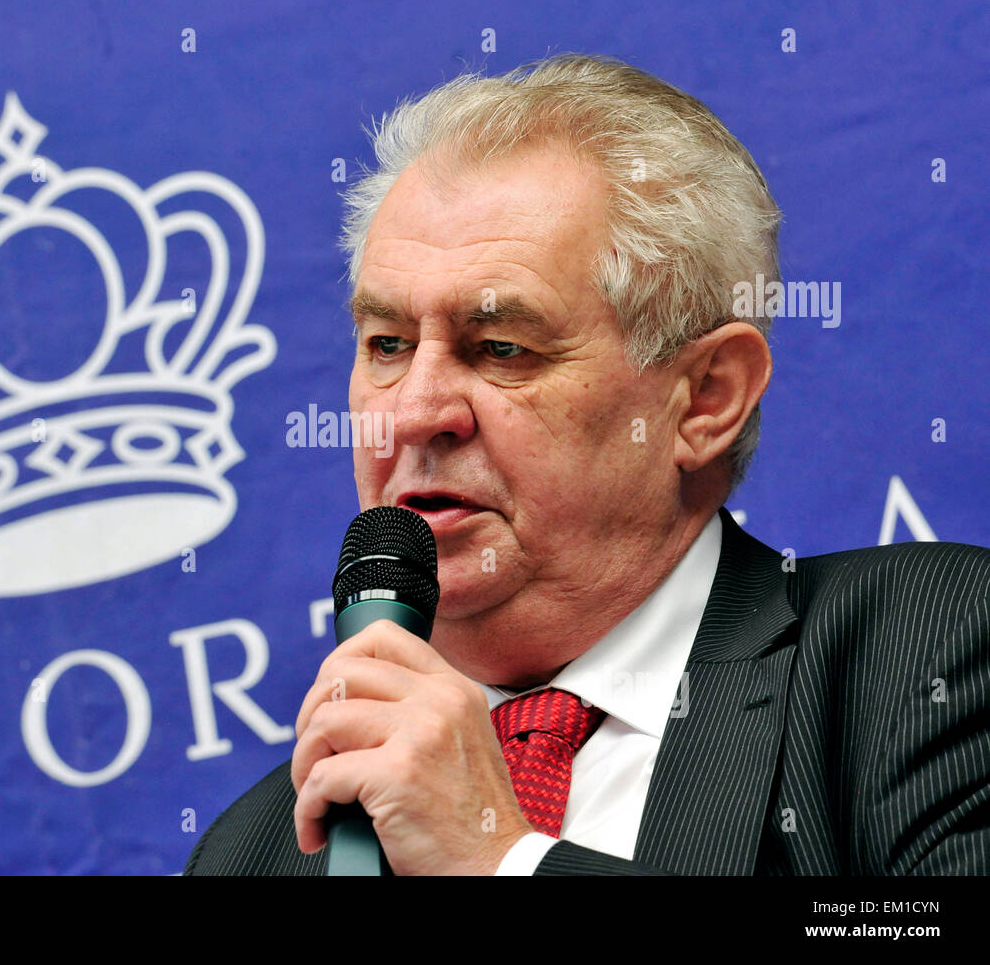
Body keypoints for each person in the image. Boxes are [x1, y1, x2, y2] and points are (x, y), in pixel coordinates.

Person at [184, 54, 990, 875]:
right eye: (388, 344)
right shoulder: (251, 853)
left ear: (706, 396)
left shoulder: (927, 657)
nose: (416, 411)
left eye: (501, 348)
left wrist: (499, 858)